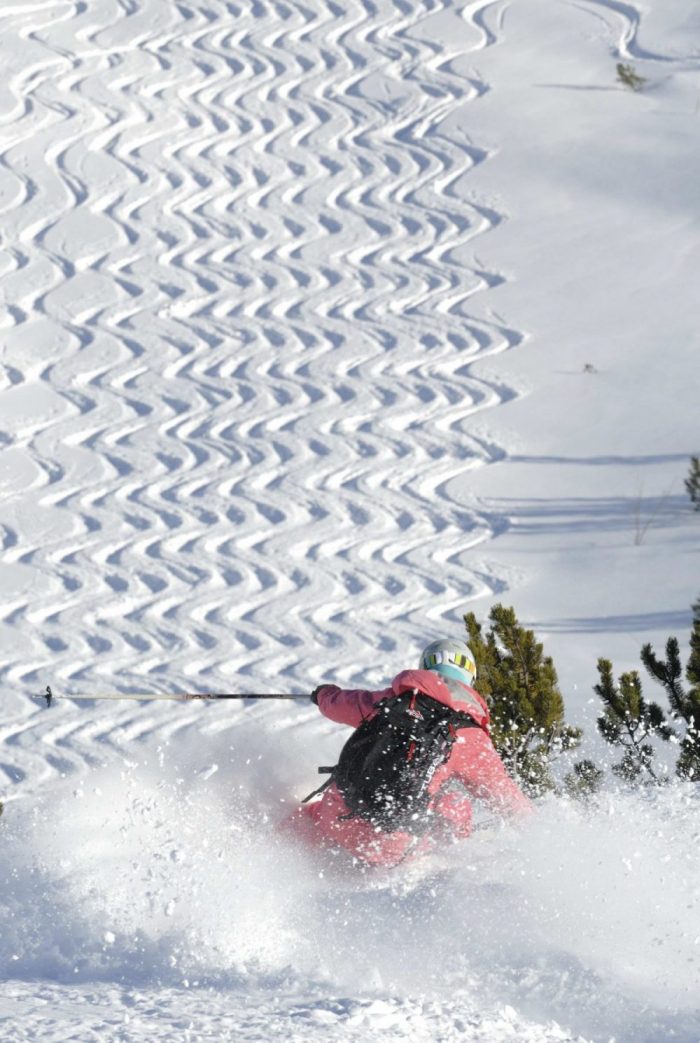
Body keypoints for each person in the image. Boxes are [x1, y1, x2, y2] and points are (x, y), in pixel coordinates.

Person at [286, 638, 533, 868]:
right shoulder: (470, 736)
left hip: (339, 813)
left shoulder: (394, 700)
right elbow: (506, 799)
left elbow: (338, 705)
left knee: (313, 817)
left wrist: (322, 694)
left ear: (424, 668)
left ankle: (273, 846)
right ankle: (436, 869)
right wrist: (543, 831)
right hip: (390, 844)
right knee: (456, 805)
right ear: (471, 679)